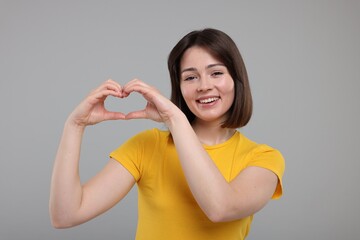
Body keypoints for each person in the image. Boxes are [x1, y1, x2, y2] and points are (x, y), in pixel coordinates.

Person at [49, 28, 285, 239]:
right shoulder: (147, 145)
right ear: (180, 88)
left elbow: (220, 207)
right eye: (190, 77)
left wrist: (175, 119)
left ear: (236, 79)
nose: (203, 85)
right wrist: (74, 125)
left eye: (216, 73)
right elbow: (66, 215)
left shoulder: (263, 158)